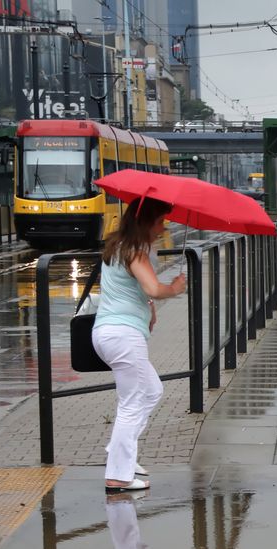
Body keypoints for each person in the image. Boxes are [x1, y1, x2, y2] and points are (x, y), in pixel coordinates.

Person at [93, 200, 187, 492]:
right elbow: (153, 288)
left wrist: (147, 307)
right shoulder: (134, 251)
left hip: (110, 332)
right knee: (133, 402)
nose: (163, 228)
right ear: (145, 222)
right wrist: (174, 288)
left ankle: (120, 454)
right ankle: (118, 476)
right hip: (123, 335)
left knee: (151, 390)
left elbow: (129, 289)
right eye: (160, 222)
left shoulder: (119, 246)